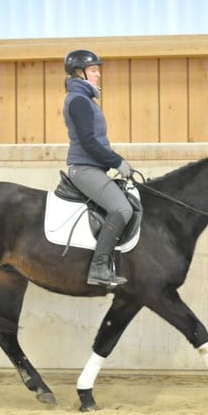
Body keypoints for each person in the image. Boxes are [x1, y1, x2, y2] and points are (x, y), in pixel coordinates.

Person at [63, 49, 134, 287]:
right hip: (84, 169)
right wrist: (116, 162)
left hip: (92, 167)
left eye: (97, 70)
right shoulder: (79, 101)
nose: (98, 75)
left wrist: (115, 160)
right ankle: (99, 268)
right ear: (78, 72)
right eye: (94, 70)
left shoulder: (85, 100)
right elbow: (89, 142)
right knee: (122, 209)